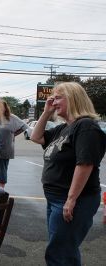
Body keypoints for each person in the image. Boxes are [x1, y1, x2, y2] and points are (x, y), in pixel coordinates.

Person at [30, 82, 106, 266]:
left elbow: (85, 164)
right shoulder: (64, 128)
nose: (53, 101)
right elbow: (36, 137)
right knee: (65, 252)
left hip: (73, 201)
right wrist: (47, 112)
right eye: (53, 98)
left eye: (58, 98)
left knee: (59, 254)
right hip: (56, 199)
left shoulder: (86, 126)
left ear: (73, 98)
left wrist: (71, 199)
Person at [0, 100, 28, 188]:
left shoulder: (11, 117)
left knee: (2, 169)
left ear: (5, 108)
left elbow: (24, 126)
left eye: (1, 106)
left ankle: (1, 190)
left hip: (6, 147)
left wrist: (14, 134)